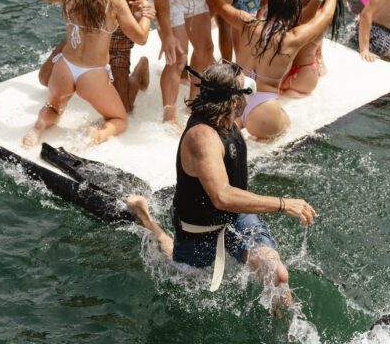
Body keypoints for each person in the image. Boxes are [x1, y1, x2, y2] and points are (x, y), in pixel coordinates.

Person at [127, 61, 317, 307]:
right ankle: (150, 222)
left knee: (278, 275)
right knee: (175, 263)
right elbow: (222, 196)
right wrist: (282, 204)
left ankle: (286, 338)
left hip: (235, 219)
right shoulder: (202, 138)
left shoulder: (227, 119)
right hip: (199, 229)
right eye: (245, 91)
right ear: (235, 102)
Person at [11, 0, 152, 146]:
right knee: (119, 120)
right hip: (92, 74)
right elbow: (141, 37)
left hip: (65, 68)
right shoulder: (114, 1)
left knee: (52, 109)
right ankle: (95, 136)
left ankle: (38, 128)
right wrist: (146, 14)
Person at [210, 0, 340, 139]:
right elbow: (325, 16)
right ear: (295, 13)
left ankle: (238, 125)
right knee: (286, 126)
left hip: (233, 101)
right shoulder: (292, 38)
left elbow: (220, 5)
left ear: (270, 6)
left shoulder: (247, 23)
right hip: (264, 110)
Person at [153, 0, 250, 126]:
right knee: (178, 56)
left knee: (206, 49)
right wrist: (167, 35)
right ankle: (168, 117)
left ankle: (194, 103)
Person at [281, 0, 345, 97]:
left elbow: (303, 21)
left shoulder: (322, 16)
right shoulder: (311, 6)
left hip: (301, 75)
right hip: (303, 69)